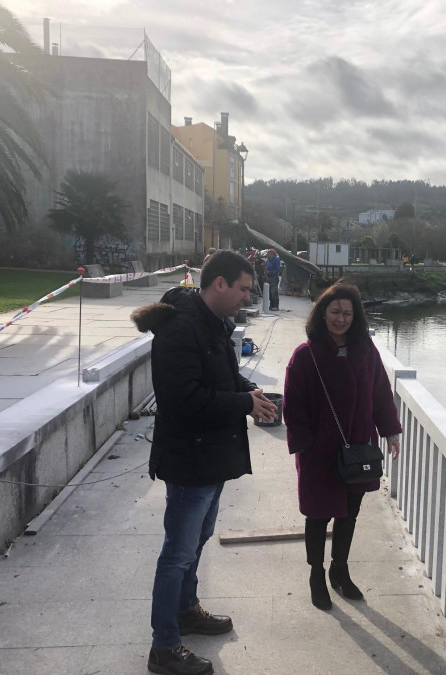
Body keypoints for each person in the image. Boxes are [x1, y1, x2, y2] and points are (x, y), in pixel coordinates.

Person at [131, 250, 278, 675]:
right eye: (244, 289)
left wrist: (252, 393)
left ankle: (186, 611)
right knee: (177, 553)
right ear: (219, 285)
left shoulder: (212, 323)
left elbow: (223, 379)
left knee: (196, 542)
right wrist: (242, 404)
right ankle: (163, 647)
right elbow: (183, 398)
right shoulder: (180, 329)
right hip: (188, 459)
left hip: (210, 457)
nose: (248, 297)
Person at [283, 281, 402, 611]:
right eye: (334, 312)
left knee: (349, 513)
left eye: (347, 313)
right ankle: (316, 575)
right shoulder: (306, 356)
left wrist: (390, 431)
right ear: (323, 313)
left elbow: (380, 393)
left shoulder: (366, 350)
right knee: (318, 515)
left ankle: (340, 569)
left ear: (356, 316)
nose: (340, 319)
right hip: (319, 453)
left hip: (358, 449)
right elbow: (293, 404)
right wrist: (306, 443)